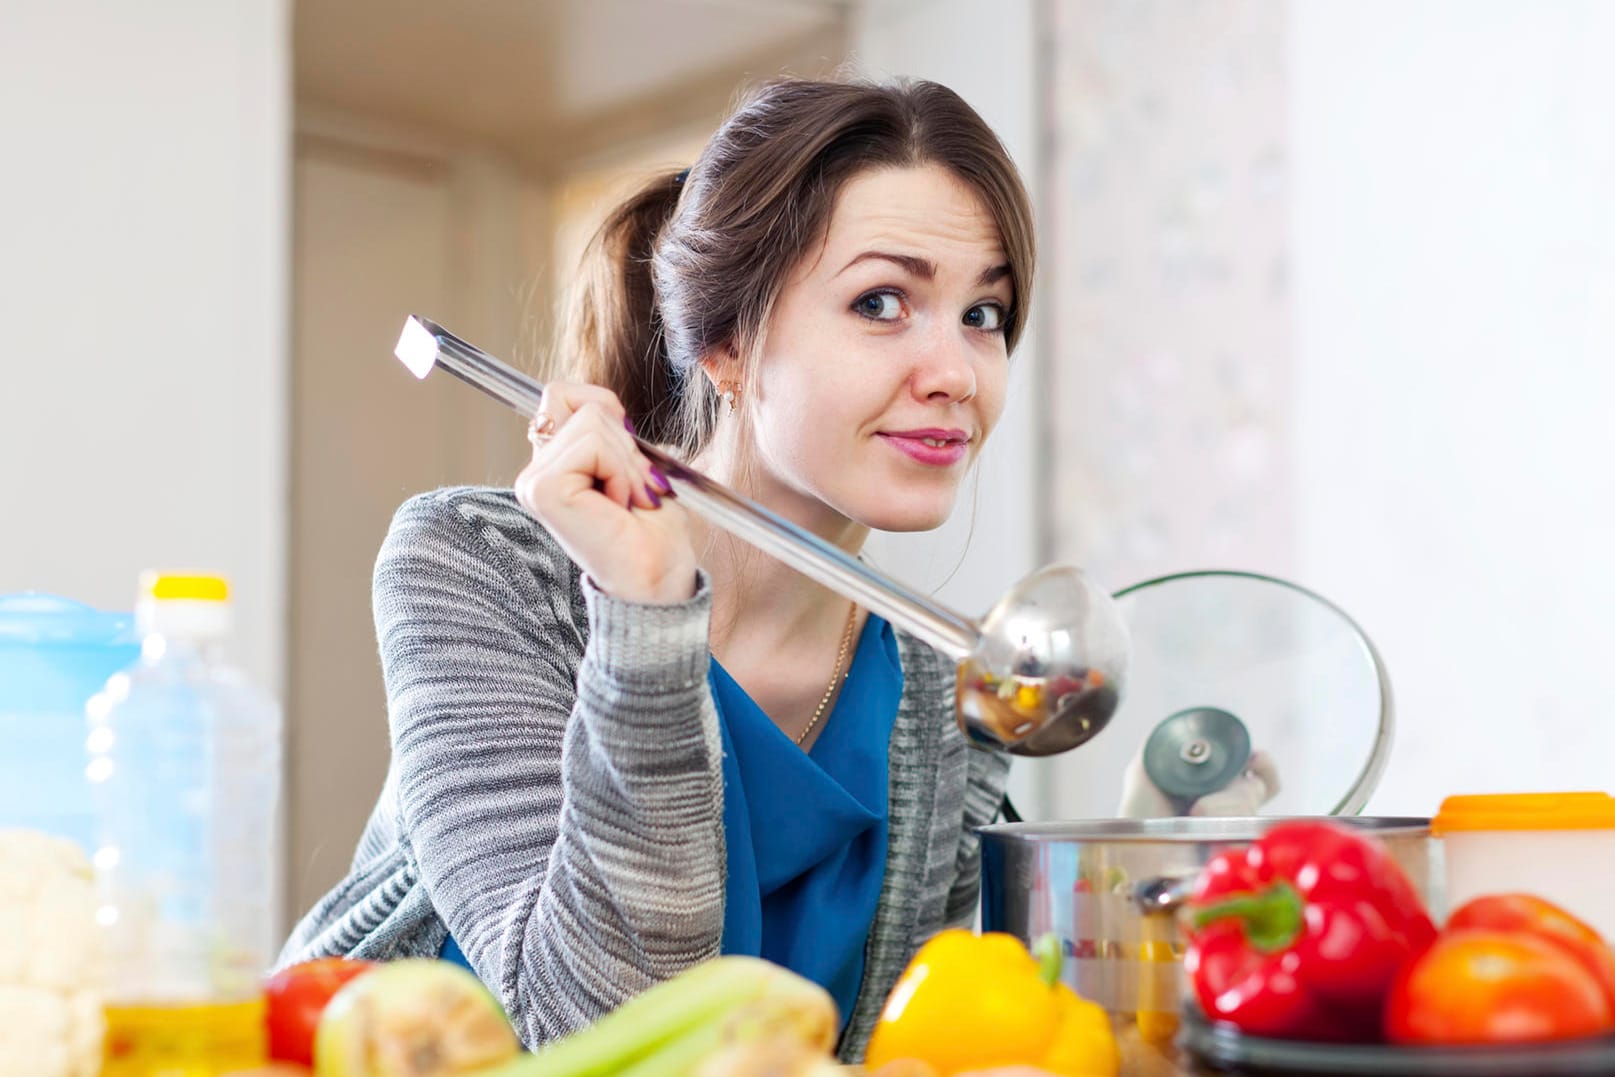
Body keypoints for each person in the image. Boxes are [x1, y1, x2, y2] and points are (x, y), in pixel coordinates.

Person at [278, 76, 1032, 1060]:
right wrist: (646, 617)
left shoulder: (948, 700)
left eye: (984, 313)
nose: (956, 374)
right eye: (882, 302)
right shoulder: (478, 565)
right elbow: (601, 1029)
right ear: (724, 345)